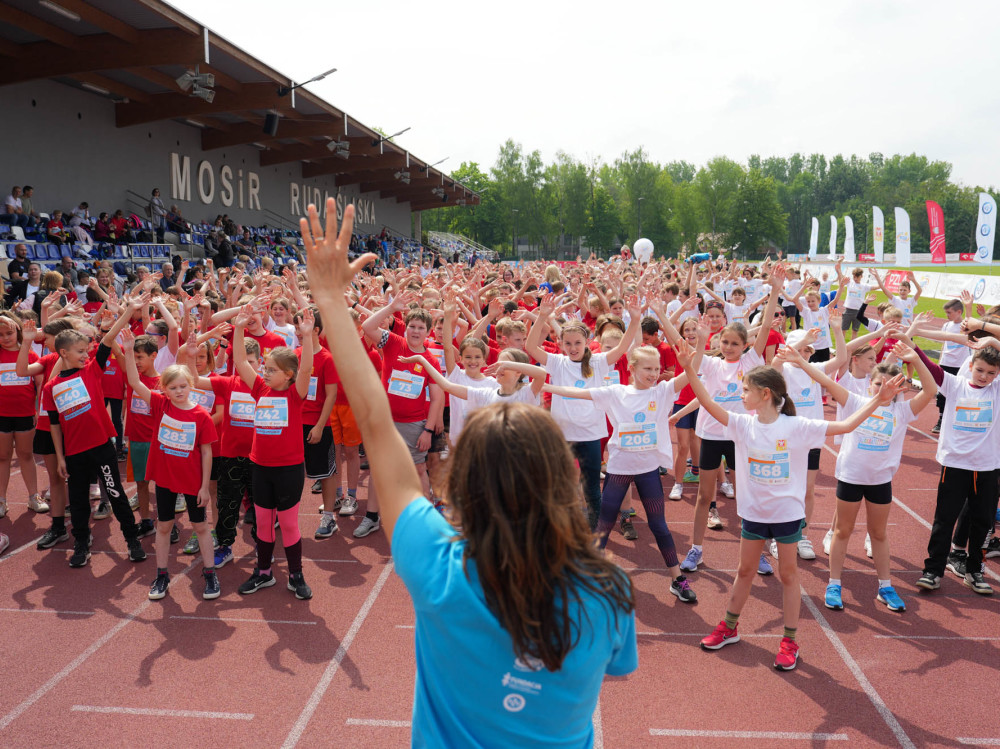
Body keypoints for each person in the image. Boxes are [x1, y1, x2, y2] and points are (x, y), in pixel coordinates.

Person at [302, 198, 637, 745]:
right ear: (566, 482)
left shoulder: (440, 567)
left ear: (462, 485)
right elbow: (616, 668)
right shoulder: (606, 589)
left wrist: (328, 299)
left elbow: (374, 420)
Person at [675, 339, 903, 670]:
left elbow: (846, 425)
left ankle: (790, 640)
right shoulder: (742, 424)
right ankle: (729, 626)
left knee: (788, 574)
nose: (741, 395)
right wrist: (688, 368)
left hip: (786, 516)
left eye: (745, 390)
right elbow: (707, 402)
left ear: (765, 394)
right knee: (744, 571)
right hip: (753, 514)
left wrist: (877, 402)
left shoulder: (796, 427)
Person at [779, 342, 936, 612]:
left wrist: (917, 358)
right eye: (877, 384)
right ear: (870, 385)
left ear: (899, 387)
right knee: (843, 531)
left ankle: (885, 586)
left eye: (890, 384)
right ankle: (834, 583)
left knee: (878, 534)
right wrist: (801, 362)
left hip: (880, 482)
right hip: (851, 477)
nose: (883, 388)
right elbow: (822, 378)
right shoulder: (855, 402)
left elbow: (932, 390)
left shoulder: (902, 411)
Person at [545, 345, 698, 603]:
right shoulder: (616, 392)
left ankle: (677, 579)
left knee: (658, 525)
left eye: (656, 368)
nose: (653, 373)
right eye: (647, 368)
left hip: (648, 469)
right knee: (604, 522)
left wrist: (696, 353)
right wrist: (546, 388)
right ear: (632, 368)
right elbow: (576, 392)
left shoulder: (662, 391)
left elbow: (690, 374)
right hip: (619, 468)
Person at [678, 266, 784, 574]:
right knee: (705, 496)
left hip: (743, 436)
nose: (729, 348)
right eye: (725, 343)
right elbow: (693, 366)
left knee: (748, 497)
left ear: (745, 347)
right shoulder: (711, 364)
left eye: (735, 344)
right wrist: (699, 340)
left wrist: (775, 290)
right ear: (718, 343)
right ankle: (696, 549)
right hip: (711, 436)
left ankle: (758, 553)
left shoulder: (752, 361)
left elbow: (763, 329)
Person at [525, 292, 641, 529]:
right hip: (563, 436)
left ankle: (595, 529)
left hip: (590, 435)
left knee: (590, 488)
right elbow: (530, 346)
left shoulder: (598, 362)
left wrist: (636, 319)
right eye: (568, 343)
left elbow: (622, 347)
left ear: (587, 342)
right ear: (561, 344)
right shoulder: (557, 362)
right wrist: (542, 315)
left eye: (578, 343)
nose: (573, 347)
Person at [119, 330, 219, 601]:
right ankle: (161, 575)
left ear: (191, 386)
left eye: (182, 387)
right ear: (163, 389)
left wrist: (204, 487)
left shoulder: (201, 415)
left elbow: (207, 452)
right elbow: (133, 380)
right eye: (172, 387)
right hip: (164, 479)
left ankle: (210, 573)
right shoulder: (160, 404)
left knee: (200, 527)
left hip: (192, 481)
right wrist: (128, 350)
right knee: (163, 527)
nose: (177, 391)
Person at [42, 326, 146, 567]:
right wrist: (60, 457)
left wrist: (127, 310)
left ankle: (132, 539)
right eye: (80, 351)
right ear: (63, 353)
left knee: (115, 493)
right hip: (75, 453)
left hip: (101, 448)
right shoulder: (51, 388)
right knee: (78, 500)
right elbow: (55, 425)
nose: (86, 355)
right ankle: (81, 542)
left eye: (87, 350)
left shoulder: (92, 370)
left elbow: (109, 339)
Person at [232, 304, 315, 599]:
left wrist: (306, 337)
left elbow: (306, 368)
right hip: (260, 467)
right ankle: (264, 572)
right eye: (265, 369)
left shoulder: (295, 393)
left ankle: (296, 575)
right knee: (264, 523)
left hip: (290, 469)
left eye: (271, 370)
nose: (264, 373)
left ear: (289, 375)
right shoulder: (260, 389)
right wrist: (239, 328)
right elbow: (241, 361)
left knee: (290, 524)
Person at [915, 337, 1000, 595]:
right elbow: (930, 367)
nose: (985, 376)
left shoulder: (997, 390)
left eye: (992, 373)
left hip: (987, 468)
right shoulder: (954, 385)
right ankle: (933, 570)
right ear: (971, 364)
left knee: (983, 522)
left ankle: (974, 571)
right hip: (954, 466)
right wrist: (913, 346)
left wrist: (993, 339)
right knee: (945, 519)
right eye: (980, 369)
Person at [0, 314, 44, 517]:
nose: (5, 338)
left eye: (9, 332)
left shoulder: (30, 355)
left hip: (25, 414)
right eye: (0, 334)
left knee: (26, 455)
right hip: (2, 416)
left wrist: (37, 411)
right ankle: (1, 500)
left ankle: (34, 496)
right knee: (3, 457)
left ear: (17, 331)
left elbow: (39, 385)